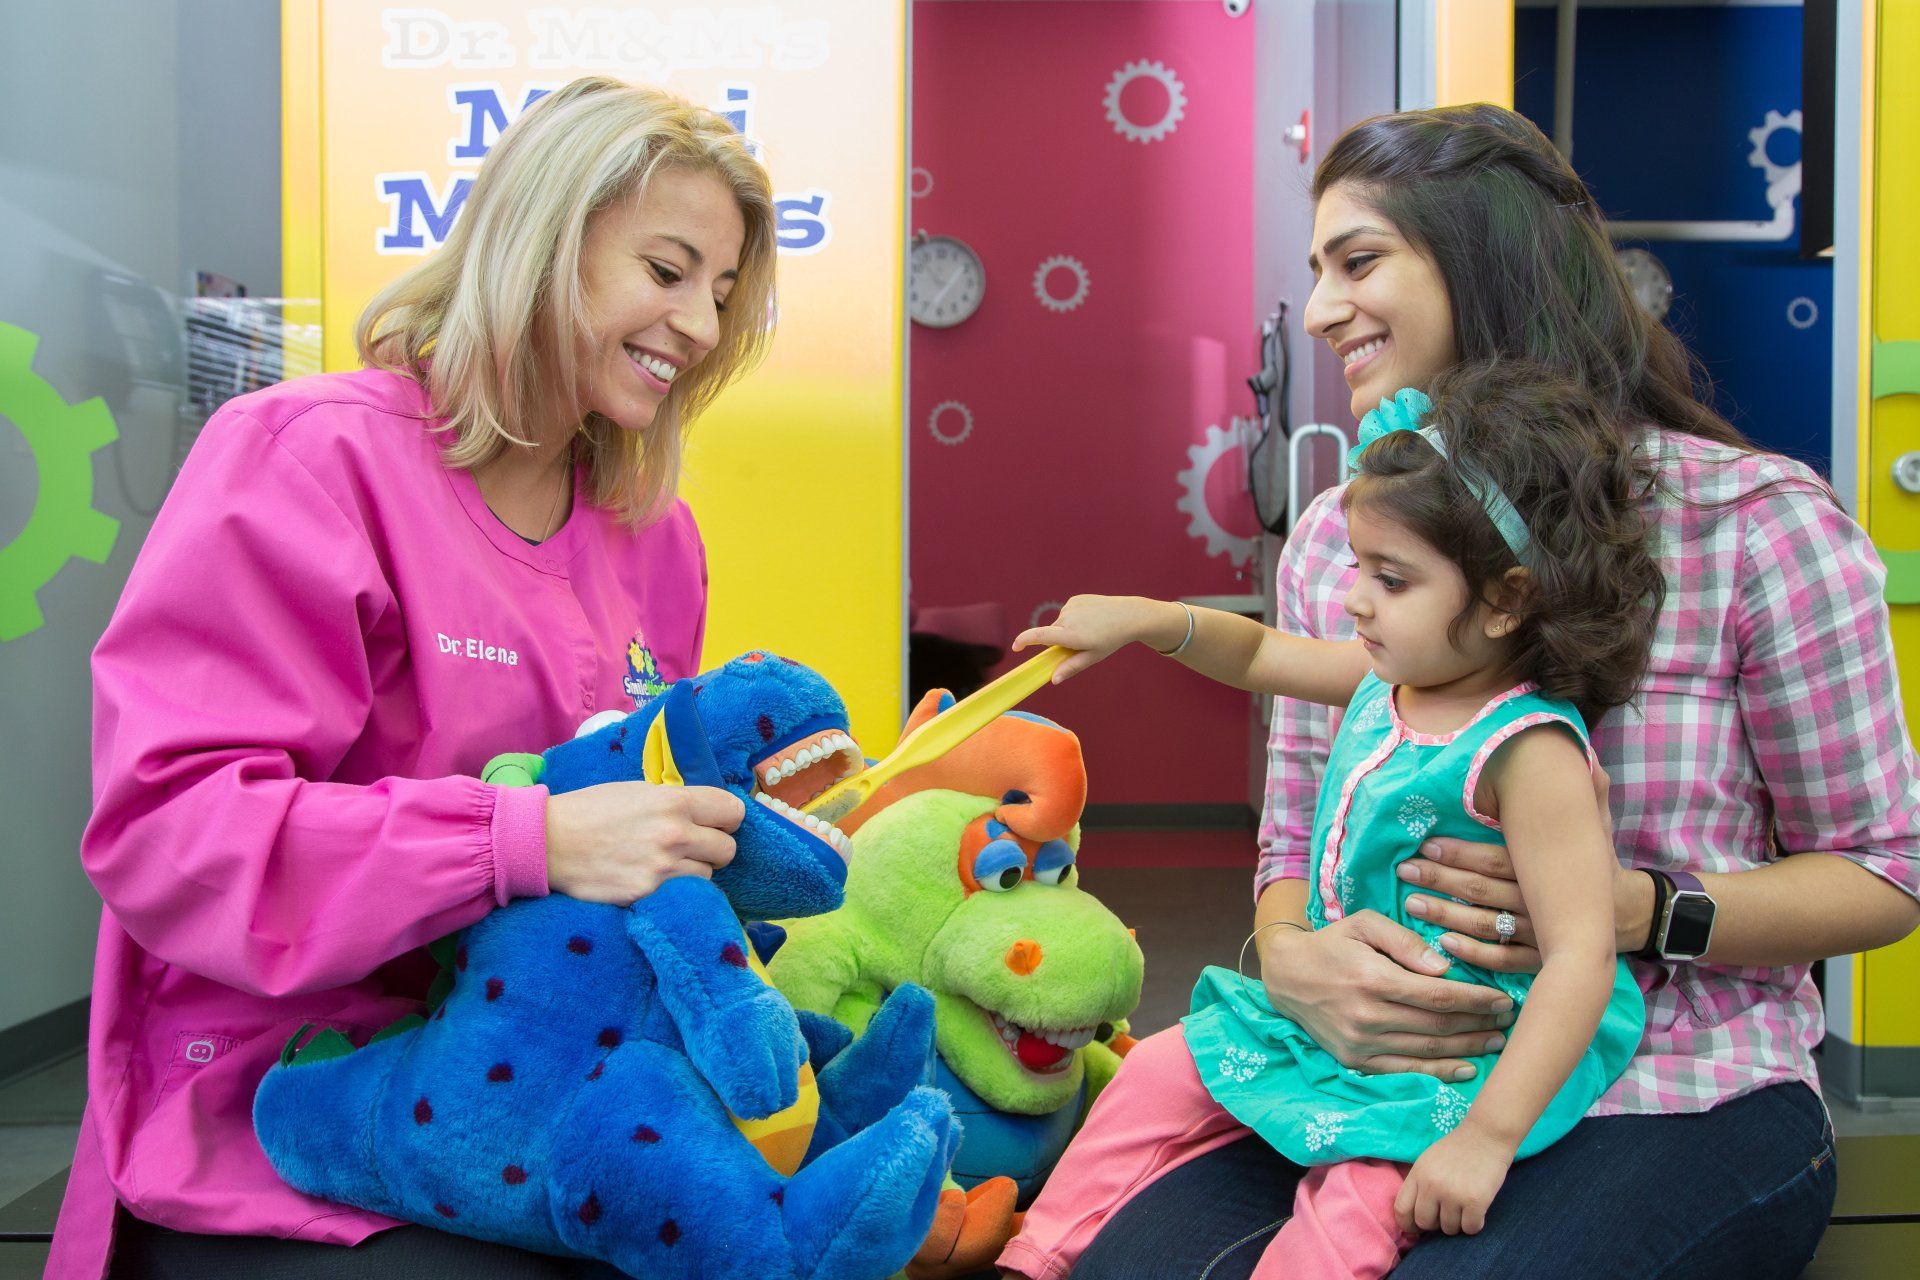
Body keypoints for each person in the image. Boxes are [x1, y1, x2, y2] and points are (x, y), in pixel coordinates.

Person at [1007, 104, 1920, 1280]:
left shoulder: (1756, 524)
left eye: (1360, 260)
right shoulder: (1340, 538)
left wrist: (1633, 909)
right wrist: (1296, 962)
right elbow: (1292, 840)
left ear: (1484, 258)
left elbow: (1884, 873)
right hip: (1366, 1080)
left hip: (1673, 1090)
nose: (1326, 306)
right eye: (1316, 269)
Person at [47, 77, 777, 1280]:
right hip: (292, 1103)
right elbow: (171, 832)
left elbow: (631, 814)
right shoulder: (309, 459)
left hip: (547, 1077)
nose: (698, 322)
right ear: (544, 237)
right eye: (666, 269)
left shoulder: (656, 534)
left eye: (722, 290)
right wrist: (519, 839)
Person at [1002, 360, 1656, 1279]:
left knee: (1350, 1202)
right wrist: (1149, 622)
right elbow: (1262, 648)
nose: (1355, 599)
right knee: (1153, 1073)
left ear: (1506, 599)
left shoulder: (1529, 751)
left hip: (1453, 1054)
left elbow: (1584, 956)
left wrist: (1488, 1137)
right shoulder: (1388, 682)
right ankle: (1037, 1256)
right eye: (1358, 567)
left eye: (1391, 579)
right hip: (1331, 1013)